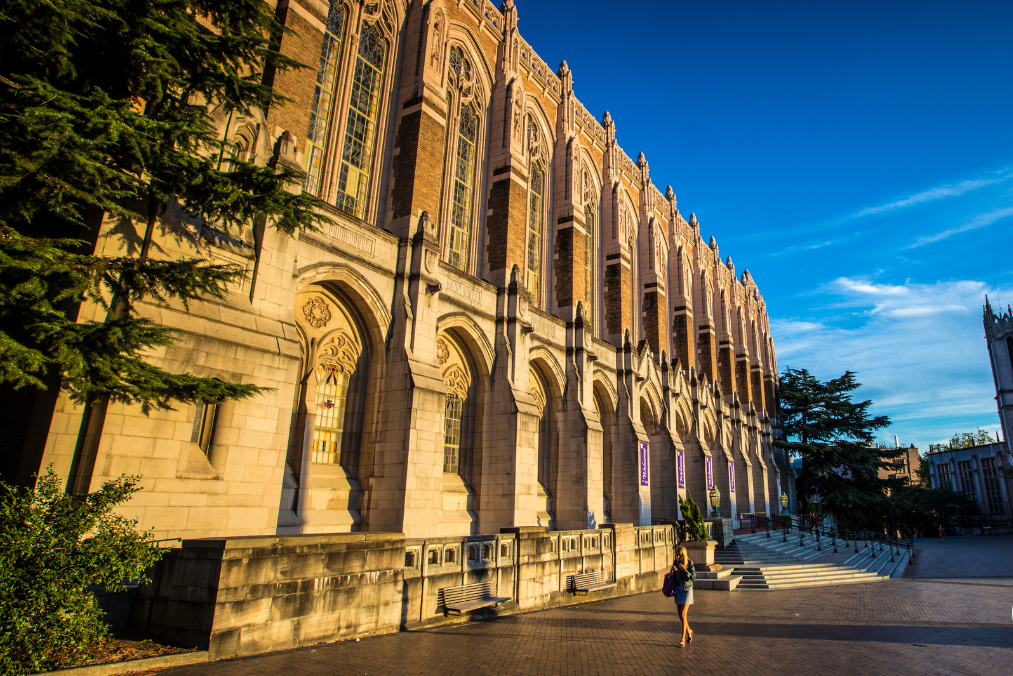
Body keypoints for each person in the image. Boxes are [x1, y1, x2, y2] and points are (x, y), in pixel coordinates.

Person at [671, 545, 696, 648]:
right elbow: (671, 576)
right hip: (678, 589)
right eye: (677, 555)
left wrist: (685, 570)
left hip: (687, 590)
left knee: (683, 614)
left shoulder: (689, 563)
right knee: (680, 616)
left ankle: (682, 639)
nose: (678, 557)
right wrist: (672, 571)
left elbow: (693, 577)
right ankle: (689, 631)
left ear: (684, 555)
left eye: (680, 555)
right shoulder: (676, 562)